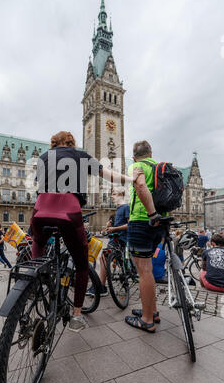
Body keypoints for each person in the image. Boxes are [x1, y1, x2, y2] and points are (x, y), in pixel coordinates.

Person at [30, 131, 141, 333]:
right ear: (71, 143)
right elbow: (109, 175)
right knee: (81, 264)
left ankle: (36, 281)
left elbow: (40, 185)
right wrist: (130, 179)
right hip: (69, 211)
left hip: (40, 210)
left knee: (37, 242)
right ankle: (77, 315)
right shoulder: (79, 155)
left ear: (53, 144)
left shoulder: (44, 157)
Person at [125, 140, 166, 333]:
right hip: (161, 222)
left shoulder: (137, 165)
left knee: (144, 271)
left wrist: (150, 214)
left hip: (143, 220)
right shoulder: (157, 167)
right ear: (151, 153)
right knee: (148, 269)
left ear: (134, 156)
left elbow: (140, 186)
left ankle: (147, 319)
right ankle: (153, 310)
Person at [86, 186, 130, 297]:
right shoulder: (119, 209)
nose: (112, 196)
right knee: (103, 258)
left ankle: (101, 287)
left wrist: (114, 229)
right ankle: (102, 285)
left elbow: (130, 225)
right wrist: (110, 227)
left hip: (119, 239)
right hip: (114, 238)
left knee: (104, 258)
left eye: (114, 194)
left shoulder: (125, 207)